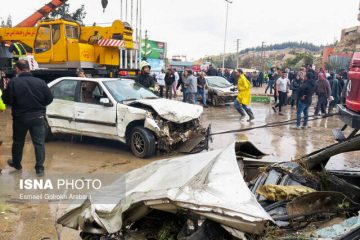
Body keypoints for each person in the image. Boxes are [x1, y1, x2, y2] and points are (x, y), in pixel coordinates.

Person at [2, 60, 53, 177]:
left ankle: (16, 164)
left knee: (18, 142)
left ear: (17, 69)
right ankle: (39, 169)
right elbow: (49, 99)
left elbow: (6, 100)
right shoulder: (41, 82)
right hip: (38, 118)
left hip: (20, 118)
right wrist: (40, 107)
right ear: (29, 68)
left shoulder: (13, 82)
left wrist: (16, 103)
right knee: (39, 143)